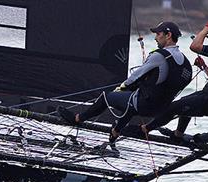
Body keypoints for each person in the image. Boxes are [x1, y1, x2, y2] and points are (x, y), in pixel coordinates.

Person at [59, 21, 192, 144]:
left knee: (107, 96)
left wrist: (122, 87)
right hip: (161, 110)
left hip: (143, 105)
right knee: (132, 100)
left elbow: (135, 76)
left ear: (168, 35)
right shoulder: (186, 64)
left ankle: (77, 119)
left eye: (158, 34)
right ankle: (116, 132)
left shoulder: (159, 55)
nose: (155, 38)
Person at [139, 20, 208, 140]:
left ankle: (145, 129)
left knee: (173, 107)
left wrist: (207, 28)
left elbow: (195, 47)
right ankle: (178, 134)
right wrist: (204, 67)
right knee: (185, 102)